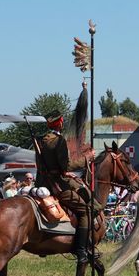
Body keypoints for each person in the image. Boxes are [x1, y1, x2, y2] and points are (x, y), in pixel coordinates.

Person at [34, 109, 95, 262]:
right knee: (84, 210)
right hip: (56, 184)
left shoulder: (41, 139)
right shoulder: (59, 141)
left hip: (42, 181)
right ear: (60, 123)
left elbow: (48, 164)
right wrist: (86, 158)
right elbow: (66, 166)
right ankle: (81, 250)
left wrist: (64, 172)